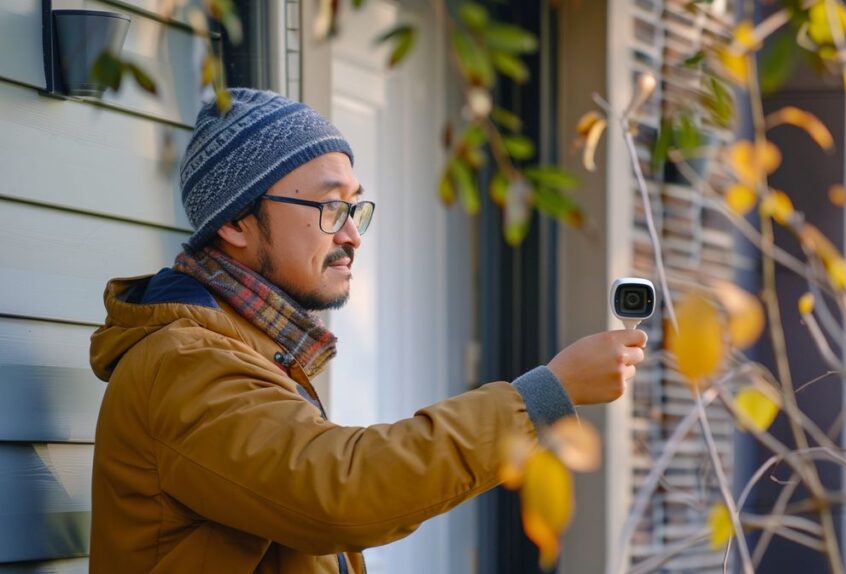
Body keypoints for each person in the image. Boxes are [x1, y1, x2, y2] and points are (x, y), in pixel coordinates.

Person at [88, 88, 647, 574]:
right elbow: (342, 492)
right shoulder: (184, 363)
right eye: (331, 208)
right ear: (235, 221)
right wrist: (547, 394)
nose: (353, 235)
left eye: (356, 209)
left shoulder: (244, 347)